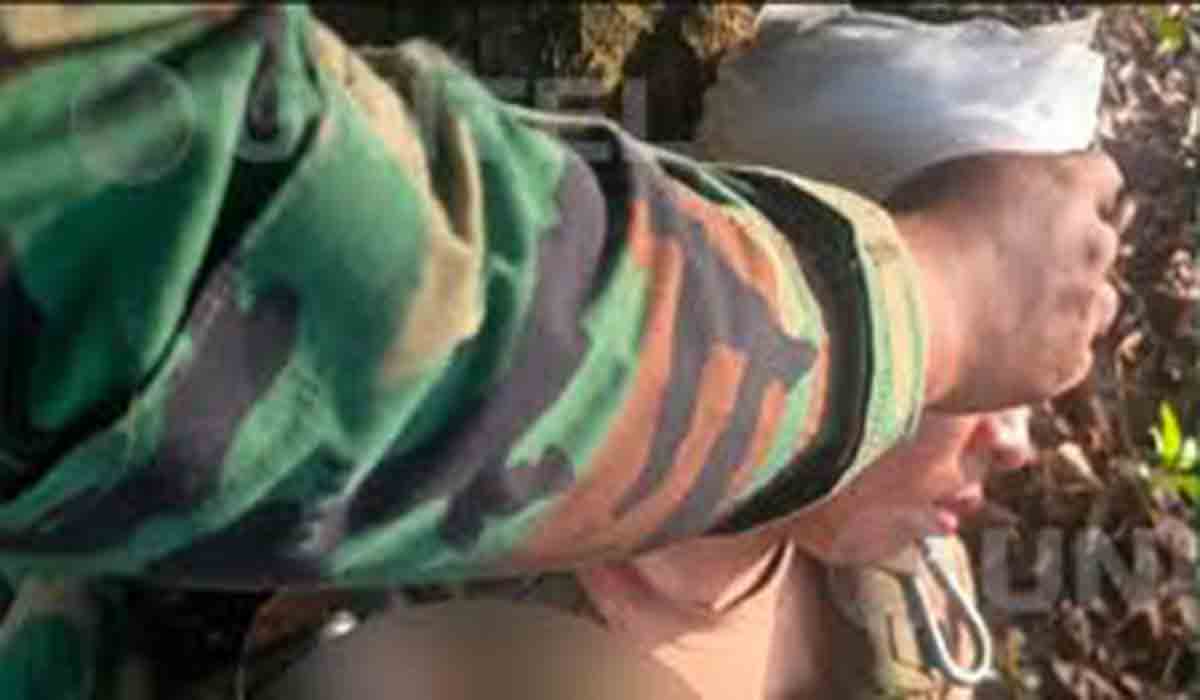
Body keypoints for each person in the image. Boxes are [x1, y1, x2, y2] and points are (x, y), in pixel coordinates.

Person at [0, 5, 1126, 699]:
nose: (1019, 442)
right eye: (989, 371)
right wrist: (938, 303)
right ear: (752, 253)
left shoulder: (906, 609)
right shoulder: (374, 576)